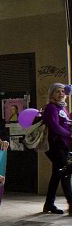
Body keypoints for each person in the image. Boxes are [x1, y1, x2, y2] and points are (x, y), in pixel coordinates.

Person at [40, 83, 72, 215]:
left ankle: (49, 204)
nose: (61, 94)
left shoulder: (63, 109)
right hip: (54, 146)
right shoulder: (51, 108)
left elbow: (66, 123)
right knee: (66, 172)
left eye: (63, 91)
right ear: (52, 94)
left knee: (57, 174)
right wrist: (69, 133)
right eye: (57, 91)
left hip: (64, 146)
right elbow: (54, 126)